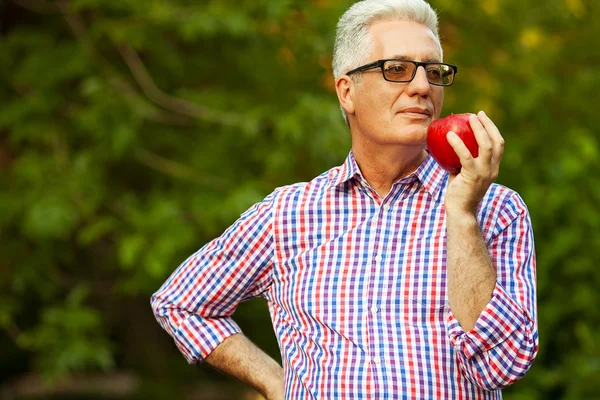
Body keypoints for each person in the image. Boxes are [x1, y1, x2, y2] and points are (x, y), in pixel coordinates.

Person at [151, 0, 539, 398]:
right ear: (347, 91)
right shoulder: (288, 214)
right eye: (398, 69)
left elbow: (502, 366)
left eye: (434, 72)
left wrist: (462, 215)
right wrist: (275, 381)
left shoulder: (495, 208)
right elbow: (181, 303)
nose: (423, 86)